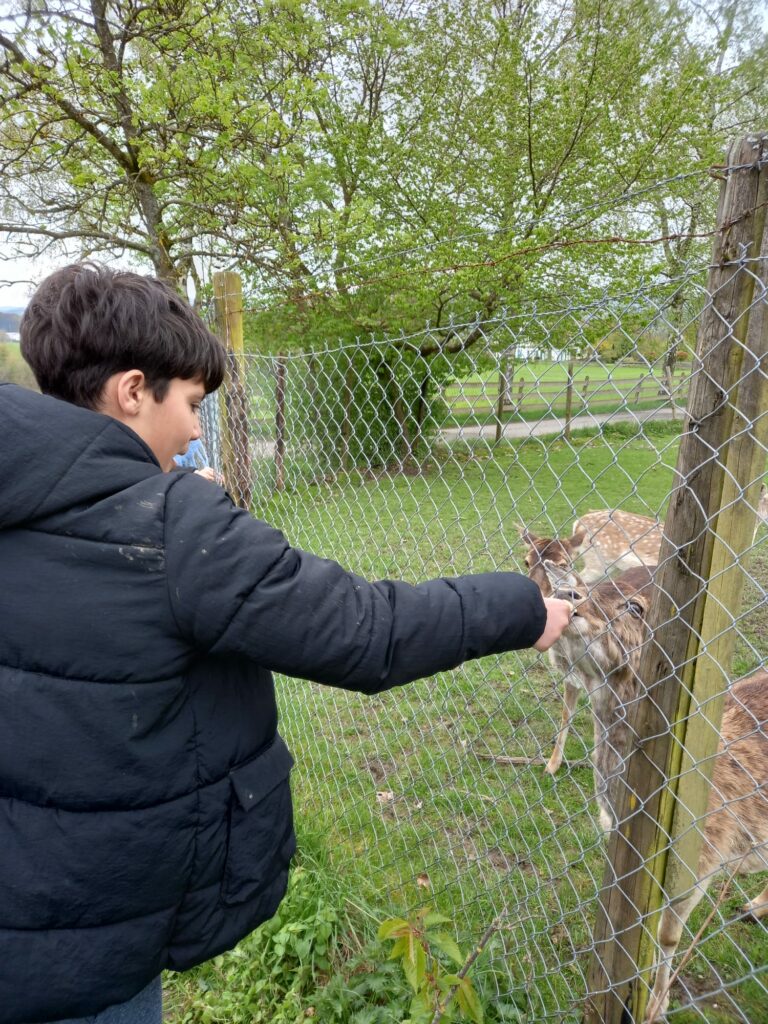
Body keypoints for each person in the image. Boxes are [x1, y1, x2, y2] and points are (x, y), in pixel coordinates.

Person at [1, 263, 572, 1024]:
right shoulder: (171, 527)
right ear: (133, 390)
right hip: (91, 930)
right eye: (194, 404)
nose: (198, 430)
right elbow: (367, 633)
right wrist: (520, 608)